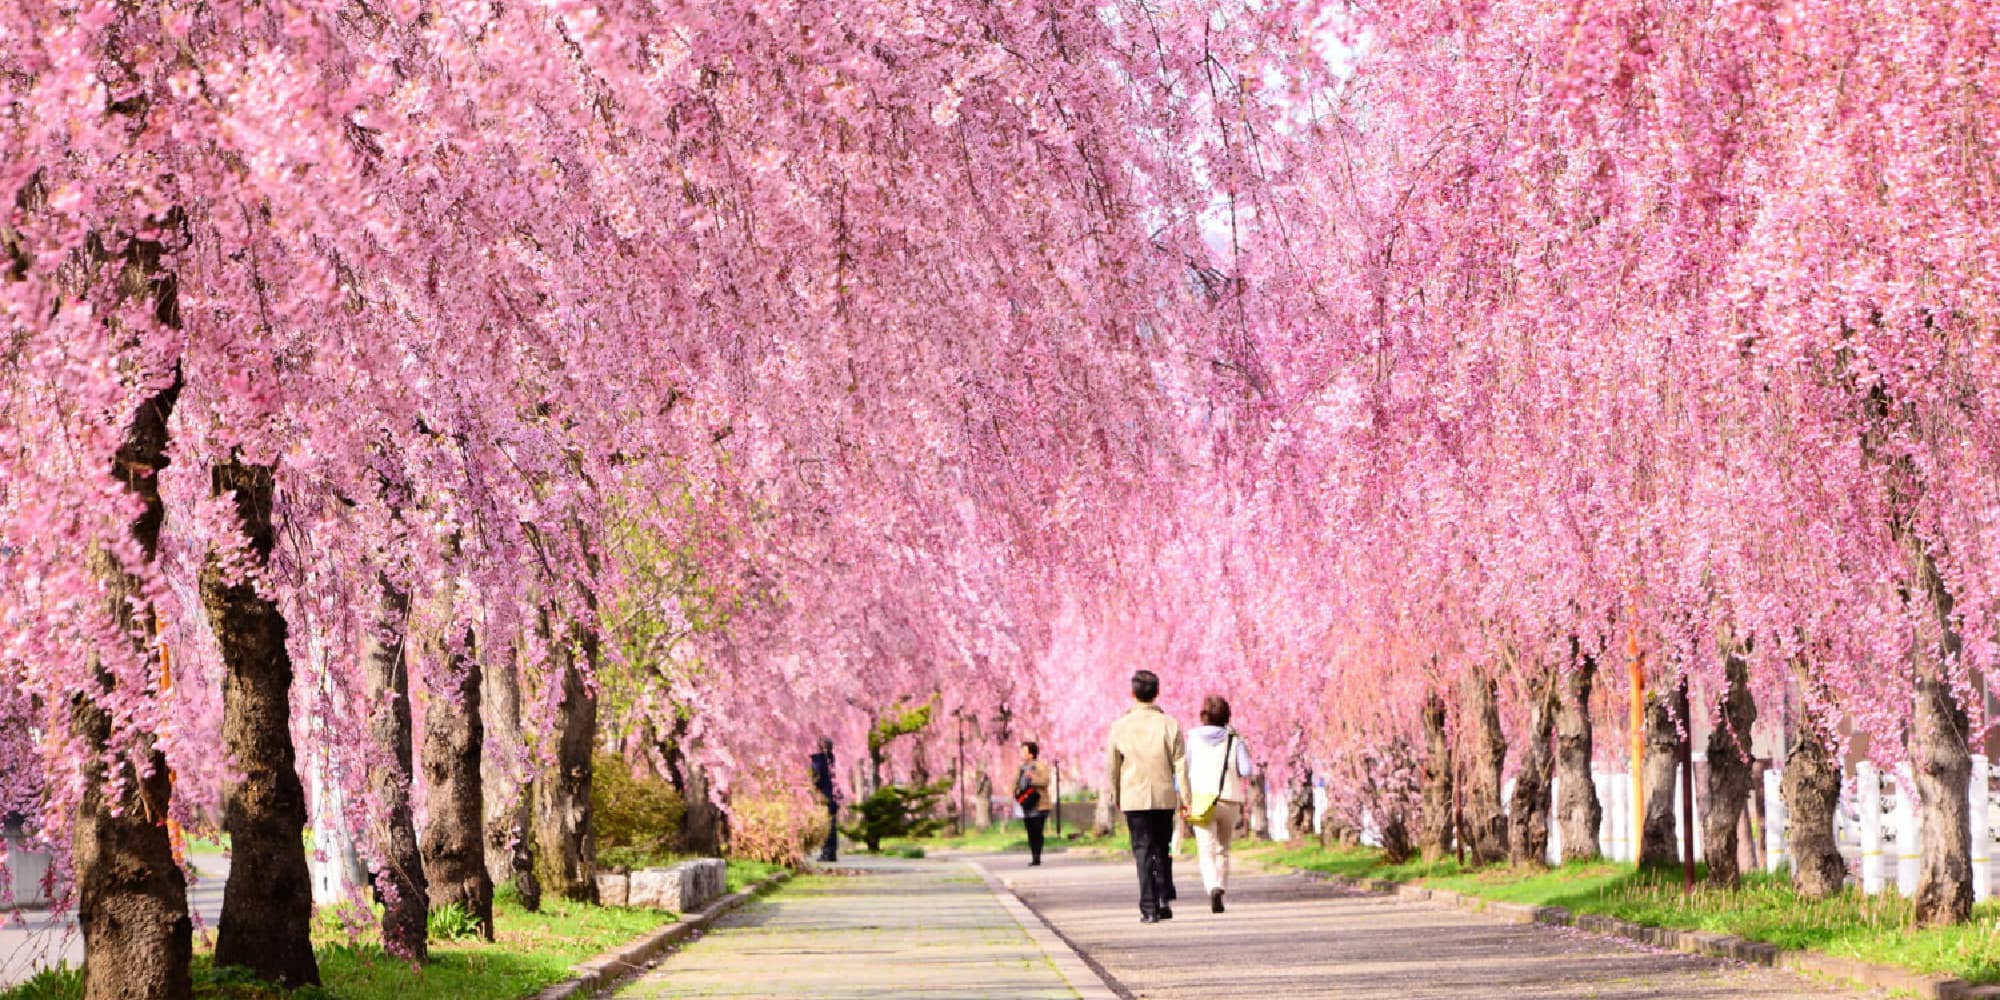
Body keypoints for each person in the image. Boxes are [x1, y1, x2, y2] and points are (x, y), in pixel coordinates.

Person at [1105, 669, 1187, 923]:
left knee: (1142, 849)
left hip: (1134, 795)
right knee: (1162, 847)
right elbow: (1181, 765)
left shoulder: (1120, 726)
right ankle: (1163, 899)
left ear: (1132, 694)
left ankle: (1148, 908)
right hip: (1163, 795)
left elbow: (1113, 766)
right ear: (1157, 693)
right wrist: (1185, 798)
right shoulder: (1170, 724)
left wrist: (1116, 794)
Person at [1186, 695, 1254, 913]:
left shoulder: (1193, 739)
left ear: (1203, 716)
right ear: (1227, 716)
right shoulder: (1235, 741)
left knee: (1205, 850)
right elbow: (1246, 770)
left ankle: (1212, 886)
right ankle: (1221, 888)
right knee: (1223, 849)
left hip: (1201, 799)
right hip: (1229, 799)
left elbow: (1184, 768)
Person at [1015, 741, 1054, 866]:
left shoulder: (1040, 766)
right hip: (1026, 804)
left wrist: (1032, 778)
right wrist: (1015, 792)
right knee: (1030, 832)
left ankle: (1037, 856)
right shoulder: (1021, 768)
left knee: (1038, 831)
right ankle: (1033, 856)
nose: (1022, 754)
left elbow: (1046, 781)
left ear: (1031, 754)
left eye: (1024, 751)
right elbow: (1016, 783)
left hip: (1039, 804)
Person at [810, 737, 839, 862]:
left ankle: (827, 853)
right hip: (832, 796)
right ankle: (831, 852)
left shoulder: (818, 761)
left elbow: (816, 778)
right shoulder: (831, 760)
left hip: (823, 796)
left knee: (826, 825)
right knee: (832, 825)